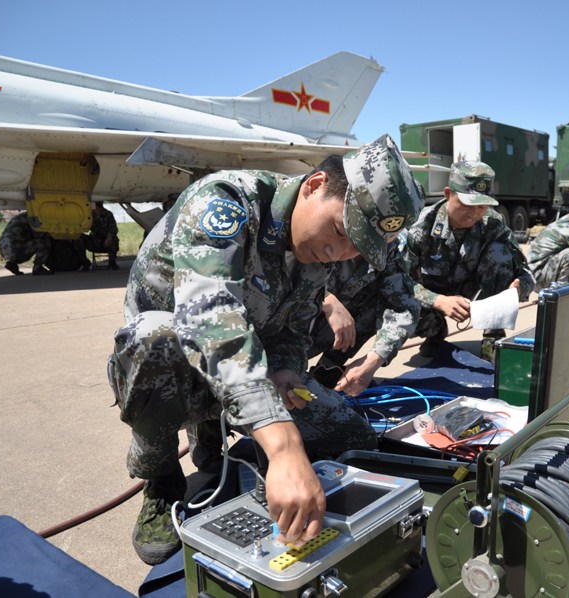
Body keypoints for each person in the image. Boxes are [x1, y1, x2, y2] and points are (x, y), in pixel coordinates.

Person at [106, 134, 423, 565]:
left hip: (247, 366)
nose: (339, 252)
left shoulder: (315, 256)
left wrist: (288, 371)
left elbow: (293, 329)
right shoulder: (225, 202)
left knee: (353, 438)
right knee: (155, 338)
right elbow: (210, 321)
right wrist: (283, 445)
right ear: (314, 186)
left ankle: (223, 432)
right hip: (176, 369)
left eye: (357, 248)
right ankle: (161, 480)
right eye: (340, 232)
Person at [405, 161, 534, 362]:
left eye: (481, 206)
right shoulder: (421, 228)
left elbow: (525, 273)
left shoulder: (493, 224)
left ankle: (492, 339)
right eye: (466, 204)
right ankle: (435, 330)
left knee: (499, 253)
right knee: (398, 308)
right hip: (432, 299)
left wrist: (518, 289)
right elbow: (400, 281)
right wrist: (438, 301)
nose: (474, 213)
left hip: (473, 292)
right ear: (448, 194)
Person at [308, 231, 420, 396]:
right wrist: (326, 300)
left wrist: (374, 360)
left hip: (328, 332)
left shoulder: (387, 248)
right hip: (285, 329)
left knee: (378, 300)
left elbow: (404, 304)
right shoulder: (323, 231)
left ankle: (328, 371)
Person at [0, 211, 53, 275]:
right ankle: (38, 268)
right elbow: (39, 235)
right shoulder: (33, 218)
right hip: (15, 249)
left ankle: (12, 264)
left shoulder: (19, 217)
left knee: (25, 244)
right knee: (44, 242)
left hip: (4, 249)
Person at [79, 202, 120, 270]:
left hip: (106, 241)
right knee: (78, 238)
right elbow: (85, 226)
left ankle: (112, 262)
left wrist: (109, 237)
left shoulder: (108, 215)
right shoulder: (90, 215)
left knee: (114, 239)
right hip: (94, 241)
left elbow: (114, 229)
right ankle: (85, 262)